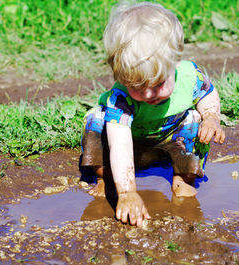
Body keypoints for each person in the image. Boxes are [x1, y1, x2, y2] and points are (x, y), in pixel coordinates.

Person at [80, 1, 225, 227]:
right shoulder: (121, 99)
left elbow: (208, 95)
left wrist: (211, 117)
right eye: (137, 87)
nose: (149, 94)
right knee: (96, 121)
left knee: (194, 120)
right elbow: (120, 145)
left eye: (157, 84)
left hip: (170, 138)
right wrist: (127, 192)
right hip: (129, 143)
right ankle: (106, 177)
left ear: (174, 64)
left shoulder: (188, 76)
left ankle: (183, 177)